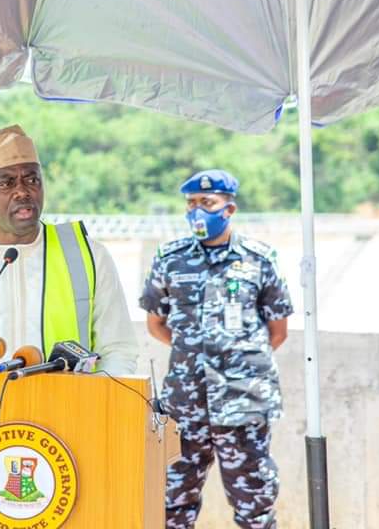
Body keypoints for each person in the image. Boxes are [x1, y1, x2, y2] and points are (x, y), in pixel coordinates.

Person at [0, 124, 138, 375]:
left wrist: (98, 398)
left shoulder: (89, 255)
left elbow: (118, 352)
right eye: (6, 183)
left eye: (32, 180)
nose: (22, 191)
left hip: (69, 401)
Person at [140, 169, 291, 529]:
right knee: (170, 503)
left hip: (242, 404)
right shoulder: (170, 258)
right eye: (191, 203)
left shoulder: (258, 259)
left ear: (229, 208)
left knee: (255, 505)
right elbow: (156, 324)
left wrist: (234, 361)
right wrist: (196, 353)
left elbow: (277, 331)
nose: (197, 210)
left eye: (207, 202)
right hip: (185, 406)